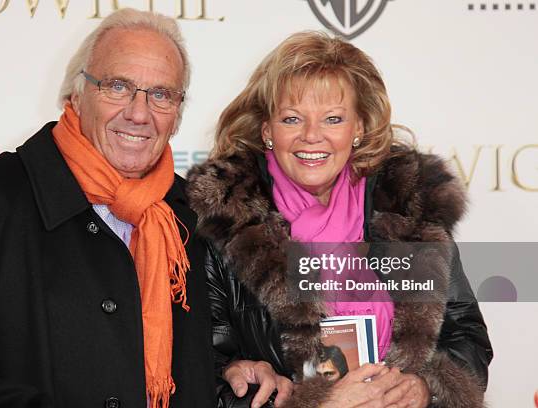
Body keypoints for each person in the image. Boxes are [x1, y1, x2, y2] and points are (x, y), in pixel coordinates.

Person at [0, 8, 215, 408]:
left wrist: (239, 370)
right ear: (75, 97)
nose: (138, 112)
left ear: (178, 114)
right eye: (117, 86)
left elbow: (214, 355)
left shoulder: (195, 215)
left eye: (161, 94)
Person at [187, 31, 493, 408]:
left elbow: (468, 338)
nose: (312, 136)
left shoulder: (407, 208)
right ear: (267, 130)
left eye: (333, 118)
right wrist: (248, 379)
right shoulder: (226, 220)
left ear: (359, 127)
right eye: (292, 118)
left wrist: (422, 388)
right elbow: (194, 370)